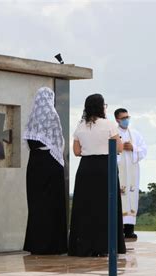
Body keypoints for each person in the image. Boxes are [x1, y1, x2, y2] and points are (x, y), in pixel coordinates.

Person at [68, 94, 126, 257]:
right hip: (105, 167)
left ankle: (84, 245)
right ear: (101, 107)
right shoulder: (109, 124)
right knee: (106, 206)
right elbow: (119, 148)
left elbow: (77, 151)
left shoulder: (80, 126)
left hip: (86, 168)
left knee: (86, 207)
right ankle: (106, 245)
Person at [22, 87, 67, 255]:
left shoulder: (32, 117)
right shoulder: (52, 115)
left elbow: (29, 142)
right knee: (52, 204)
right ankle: (53, 245)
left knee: (36, 205)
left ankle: (36, 244)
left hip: (34, 164)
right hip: (50, 163)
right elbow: (57, 143)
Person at [114, 108, 147, 240]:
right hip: (119, 168)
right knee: (120, 197)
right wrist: (120, 147)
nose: (126, 120)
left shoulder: (135, 134)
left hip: (132, 170)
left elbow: (144, 149)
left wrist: (134, 148)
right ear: (117, 119)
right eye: (123, 118)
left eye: (128, 117)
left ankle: (129, 229)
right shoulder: (113, 133)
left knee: (131, 196)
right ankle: (118, 229)